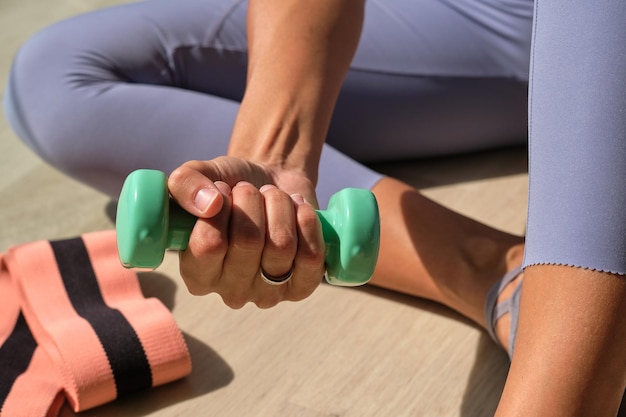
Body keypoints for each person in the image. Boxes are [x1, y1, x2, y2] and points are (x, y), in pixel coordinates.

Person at [4, 0, 626, 415]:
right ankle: (501, 273)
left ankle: (576, 353)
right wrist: (271, 162)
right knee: (57, 80)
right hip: (495, 18)